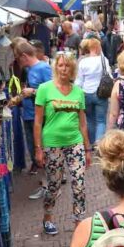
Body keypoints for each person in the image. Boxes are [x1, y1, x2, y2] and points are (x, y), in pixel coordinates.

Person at [34, 53, 90, 236]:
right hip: (52, 143)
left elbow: (83, 123)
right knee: (54, 185)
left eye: (67, 66)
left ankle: (78, 221)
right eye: (61, 65)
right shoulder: (44, 89)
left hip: (75, 142)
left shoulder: (79, 92)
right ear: (55, 68)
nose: (64, 69)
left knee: (79, 183)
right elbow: (37, 121)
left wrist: (87, 149)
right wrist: (38, 148)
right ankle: (48, 217)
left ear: (72, 69)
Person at [10, 41, 52, 180]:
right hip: (29, 115)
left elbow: (54, 90)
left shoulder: (43, 68)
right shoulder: (29, 70)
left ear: (23, 56)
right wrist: (19, 98)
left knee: (42, 149)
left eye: (17, 58)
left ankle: (50, 182)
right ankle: (45, 182)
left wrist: (33, 91)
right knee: (34, 149)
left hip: (39, 116)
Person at [77, 37, 111, 145]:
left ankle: (91, 143)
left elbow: (79, 81)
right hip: (101, 93)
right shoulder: (103, 60)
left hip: (86, 93)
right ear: (97, 47)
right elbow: (109, 75)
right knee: (101, 121)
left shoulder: (83, 62)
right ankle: (98, 143)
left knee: (90, 120)